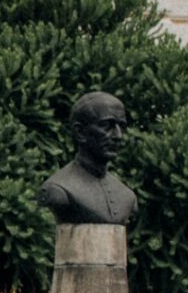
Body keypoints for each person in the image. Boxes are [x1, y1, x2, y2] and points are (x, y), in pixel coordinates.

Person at [38, 90, 140, 226]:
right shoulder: (58, 190)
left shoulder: (127, 197)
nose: (118, 135)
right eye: (106, 126)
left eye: (121, 126)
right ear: (80, 132)